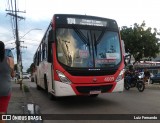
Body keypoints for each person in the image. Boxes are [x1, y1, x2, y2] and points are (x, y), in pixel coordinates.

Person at [0, 41, 14, 123]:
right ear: (4, 49)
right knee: (2, 112)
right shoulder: (10, 60)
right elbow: (12, 75)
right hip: (6, 89)